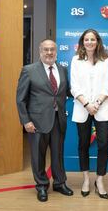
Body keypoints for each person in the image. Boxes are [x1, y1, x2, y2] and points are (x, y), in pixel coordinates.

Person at [16, 39, 73, 202]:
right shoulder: (29, 70)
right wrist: (26, 121)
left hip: (58, 119)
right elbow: (20, 99)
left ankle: (60, 183)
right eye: (46, 50)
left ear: (56, 52)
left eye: (52, 50)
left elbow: (67, 92)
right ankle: (41, 185)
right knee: (37, 155)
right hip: (37, 122)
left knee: (58, 154)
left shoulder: (62, 70)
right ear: (40, 51)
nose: (49, 52)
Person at [70, 29, 108, 200]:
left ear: (98, 41)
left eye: (92, 39)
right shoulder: (76, 60)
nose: (89, 42)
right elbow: (74, 87)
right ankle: (86, 180)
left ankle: (100, 180)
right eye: (86, 39)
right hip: (82, 107)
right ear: (82, 42)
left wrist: (96, 103)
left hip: (101, 107)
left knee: (103, 145)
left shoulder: (106, 59)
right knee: (83, 145)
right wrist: (87, 104)